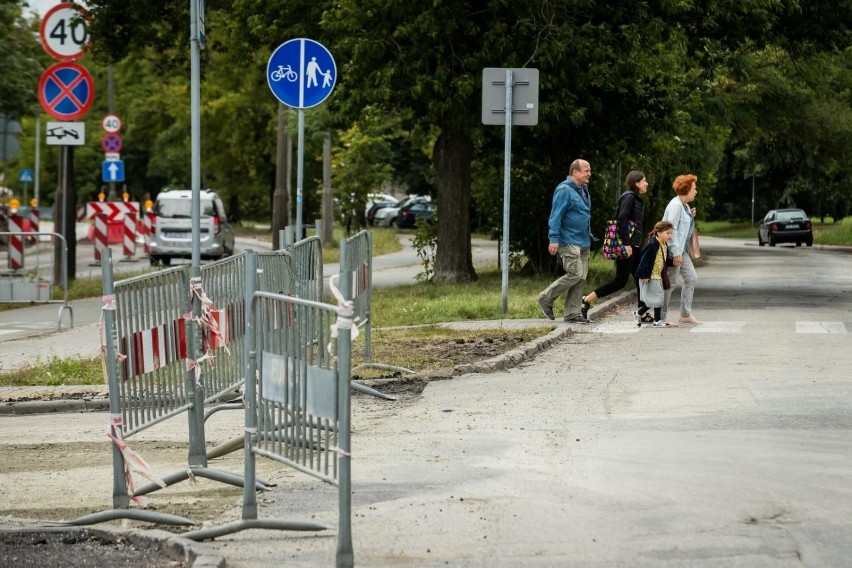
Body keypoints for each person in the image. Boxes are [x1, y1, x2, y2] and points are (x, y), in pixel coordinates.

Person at [581, 170, 649, 321]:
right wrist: (626, 244)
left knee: (640, 277)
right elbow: (621, 220)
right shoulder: (629, 198)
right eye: (644, 181)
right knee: (620, 282)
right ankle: (586, 300)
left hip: (635, 246)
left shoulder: (636, 199)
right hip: (628, 246)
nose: (647, 184)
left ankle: (642, 312)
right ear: (637, 183)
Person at [537, 159, 593, 324]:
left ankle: (572, 313)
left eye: (589, 170)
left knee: (581, 277)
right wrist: (553, 239)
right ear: (575, 172)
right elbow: (555, 216)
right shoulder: (563, 190)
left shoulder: (584, 189)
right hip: (568, 240)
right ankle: (546, 298)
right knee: (575, 273)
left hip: (583, 240)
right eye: (586, 170)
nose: (589, 173)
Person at [661, 174, 700, 325]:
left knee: (691, 278)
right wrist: (676, 253)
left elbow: (683, 227)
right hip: (673, 251)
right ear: (687, 189)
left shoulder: (684, 206)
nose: (695, 191)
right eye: (694, 189)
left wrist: (690, 215)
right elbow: (671, 230)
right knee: (669, 284)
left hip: (681, 250)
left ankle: (685, 314)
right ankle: (661, 317)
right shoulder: (676, 206)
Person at [634, 220, 674, 327]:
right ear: (659, 233)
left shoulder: (664, 244)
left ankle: (639, 313)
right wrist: (645, 275)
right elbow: (645, 260)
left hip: (657, 276)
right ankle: (656, 320)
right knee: (658, 298)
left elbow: (662, 259)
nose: (670, 235)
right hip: (650, 276)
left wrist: (672, 261)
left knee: (653, 299)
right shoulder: (653, 244)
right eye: (667, 233)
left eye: (671, 233)